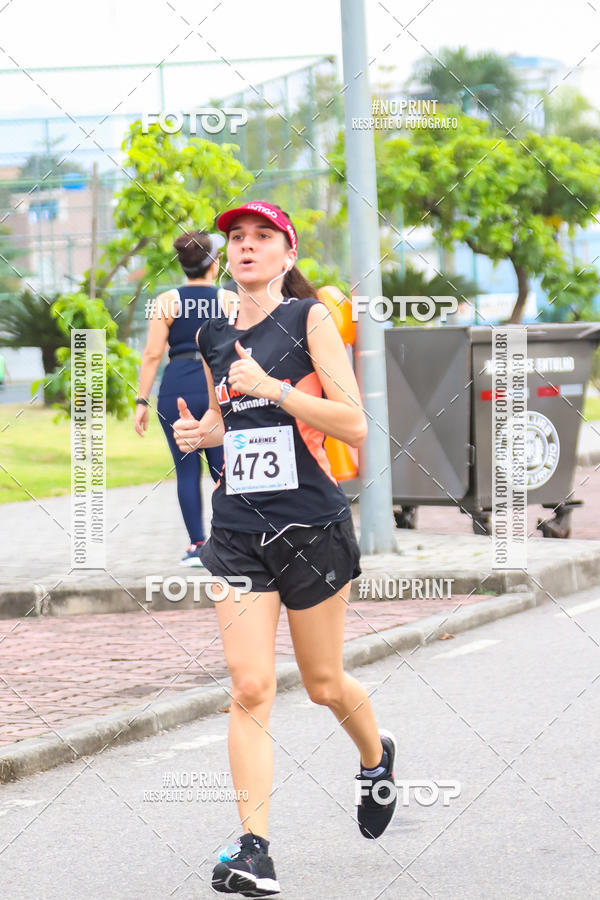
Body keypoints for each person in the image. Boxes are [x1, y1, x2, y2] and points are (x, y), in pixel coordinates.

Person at [172, 202, 397, 897]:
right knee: (250, 686)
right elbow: (228, 419)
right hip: (238, 530)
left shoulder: (310, 322)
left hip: (310, 526)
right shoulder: (213, 335)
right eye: (236, 239)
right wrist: (202, 436)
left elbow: (355, 425)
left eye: (261, 238)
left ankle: (376, 757)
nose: (245, 247)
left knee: (324, 682)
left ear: (287, 254)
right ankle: (253, 850)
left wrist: (273, 389)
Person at [135, 230, 225, 566]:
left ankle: (196, 546)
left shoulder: (166, 301)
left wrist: (141, 402)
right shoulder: (229, 299)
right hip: (217, 386)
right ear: (213, 265)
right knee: (223, 469)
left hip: (176, 389)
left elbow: (152, 354)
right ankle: (227, 541)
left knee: (186, 470)